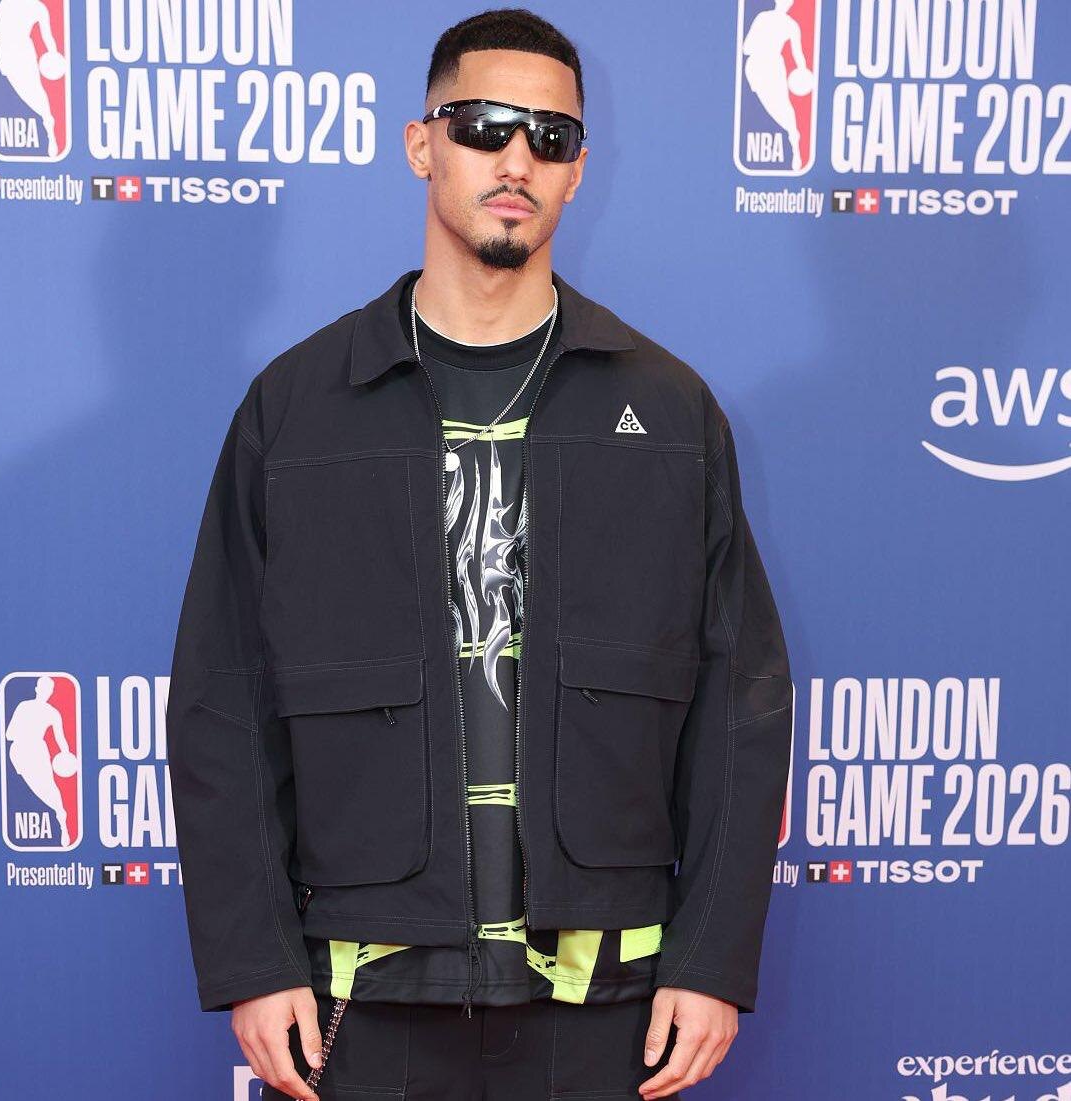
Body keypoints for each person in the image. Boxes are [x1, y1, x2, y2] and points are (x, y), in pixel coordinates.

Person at [166, 9, 794, 1100]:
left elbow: (739, 703)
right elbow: (222, 697)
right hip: (361, 993)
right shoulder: (297, 410)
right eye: (482, 126)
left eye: (551, 137)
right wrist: (254, 962)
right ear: (423, 144)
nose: (516, 159)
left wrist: (708, 961)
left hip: (606, 999)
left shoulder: (668, 410)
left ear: (578, 169)